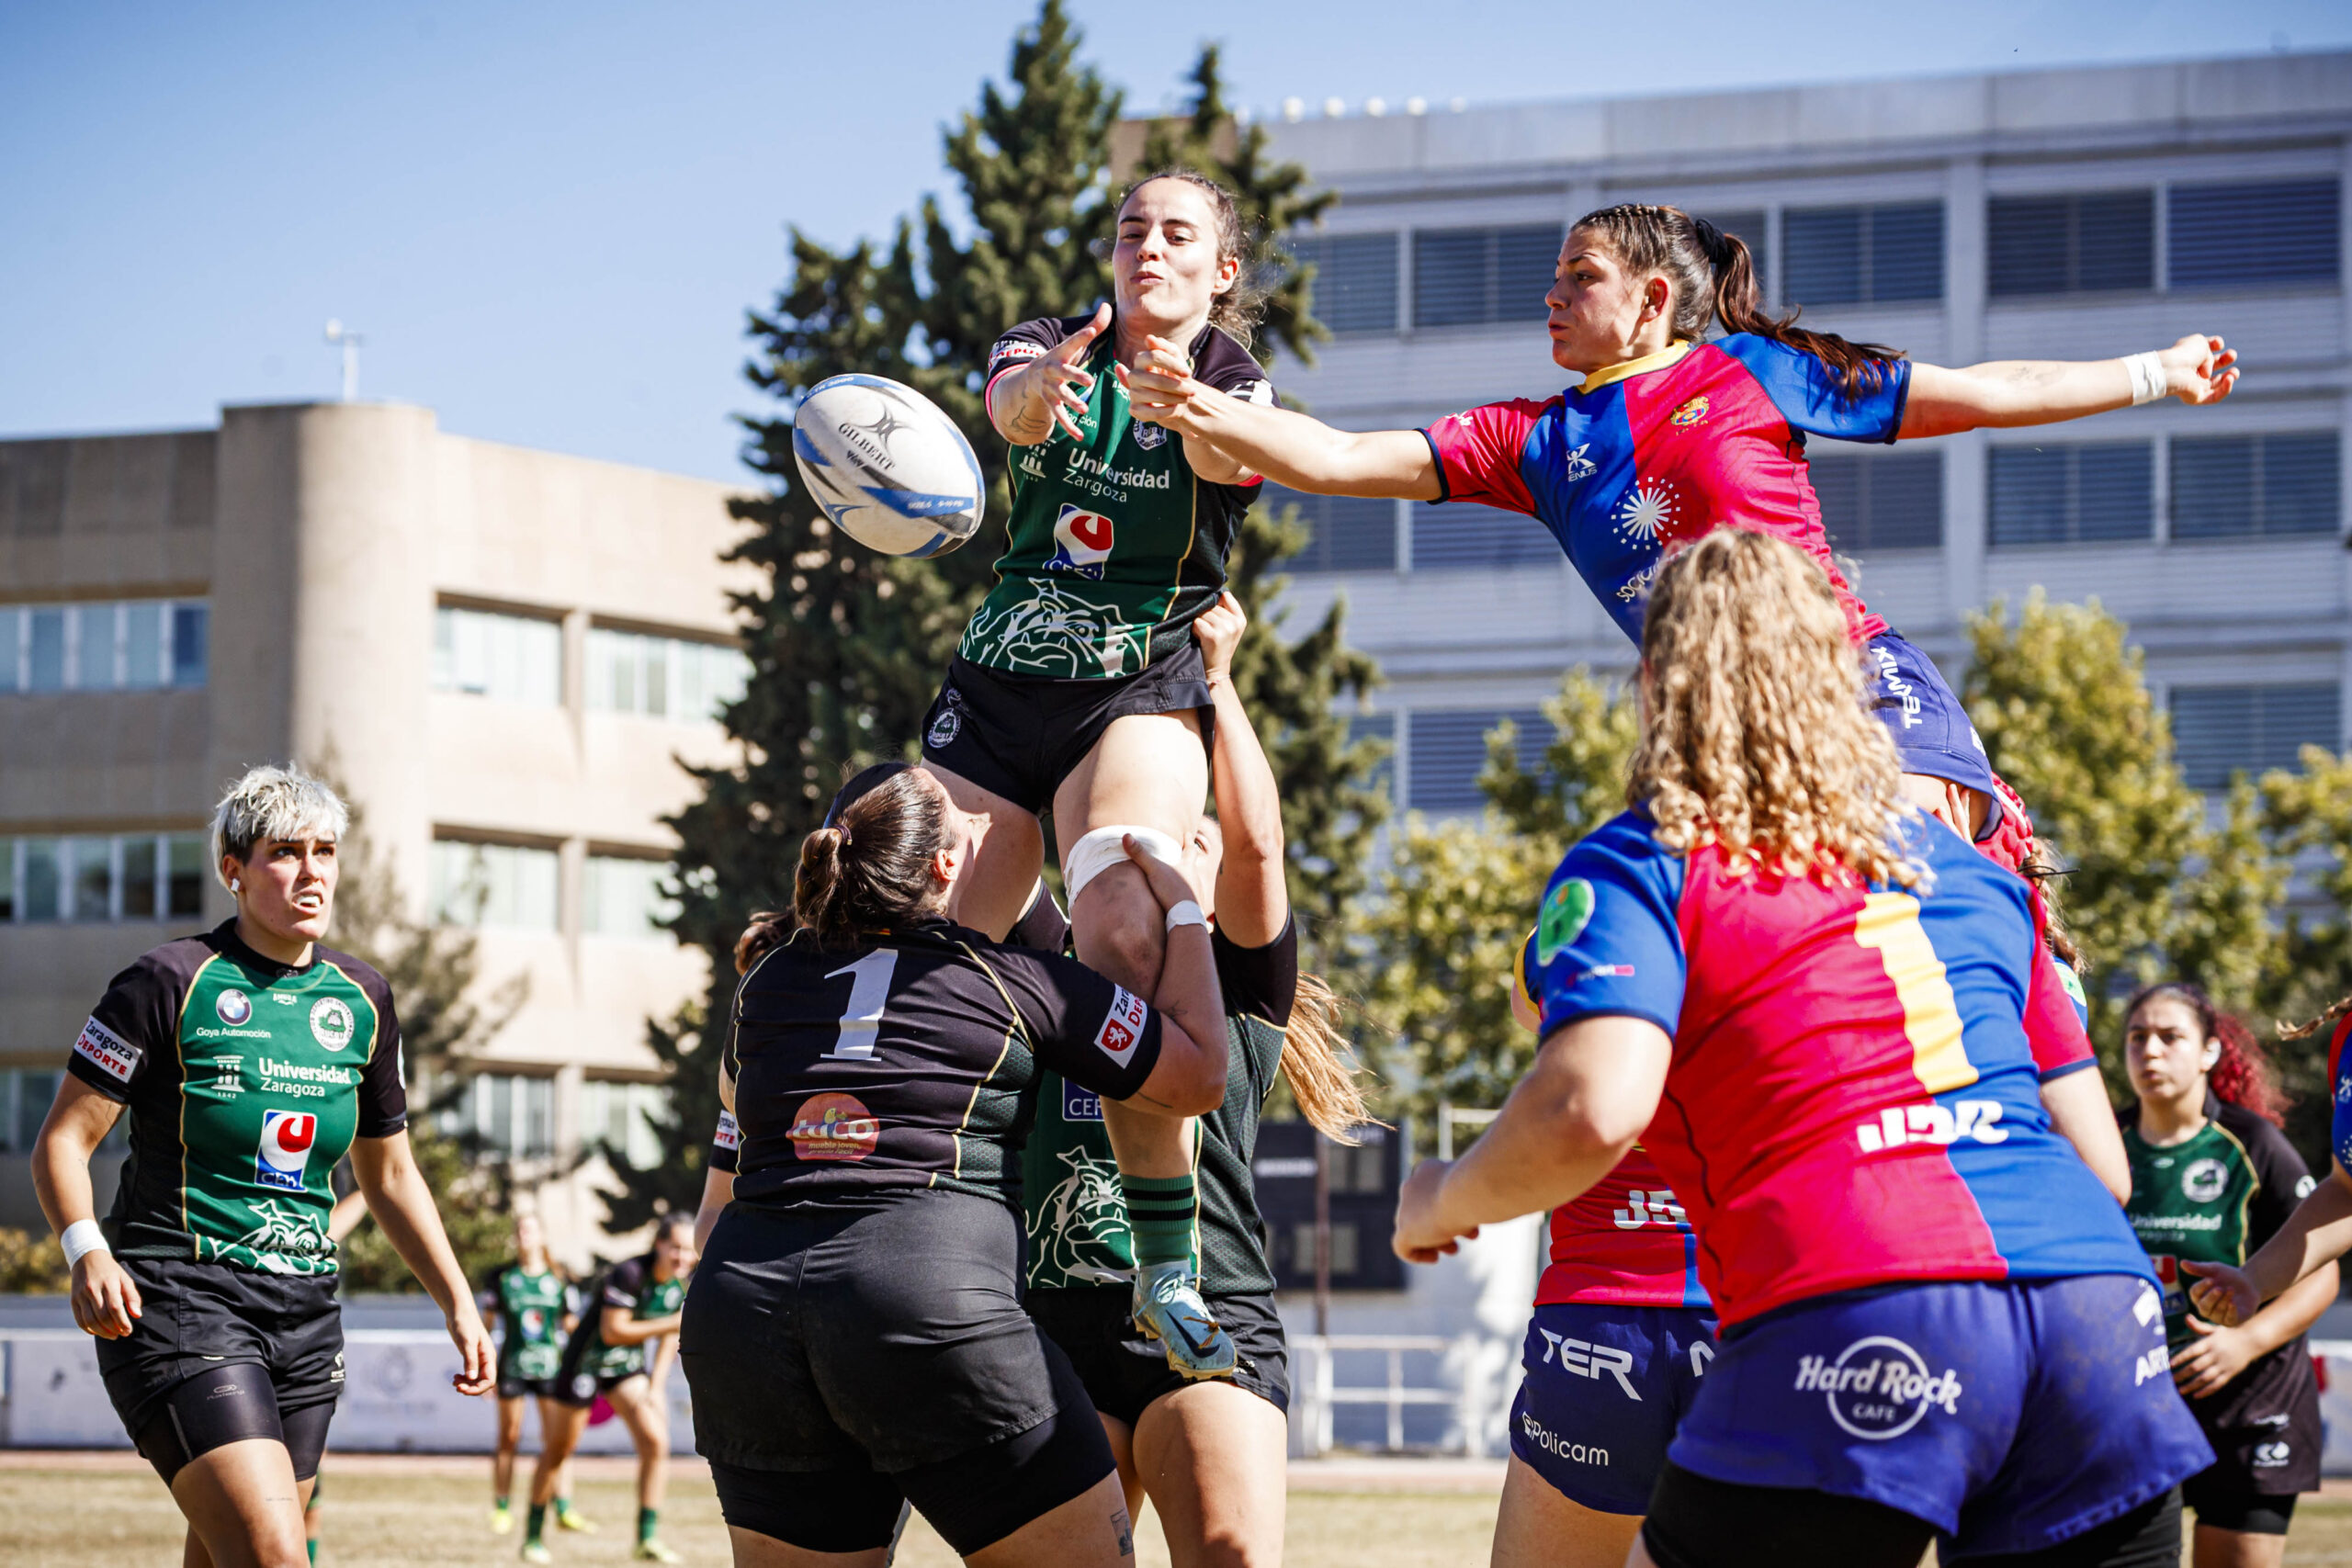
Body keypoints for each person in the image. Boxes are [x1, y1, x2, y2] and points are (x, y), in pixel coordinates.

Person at [1391, 531, 2211, 1568]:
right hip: (2094, 1313)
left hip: (1860, 1306)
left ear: (1656, 687)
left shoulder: (1645, 859)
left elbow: (1589, 1109)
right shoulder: (1976, 878)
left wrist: (1443, 1198)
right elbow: (2103, 1166)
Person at [1122, 201, 2237, 853]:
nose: (1551, 296)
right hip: (1704, 743)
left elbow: (1989, 390)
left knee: (1919, 878)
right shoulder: (1535, 441)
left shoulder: (1751, 370)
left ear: (1653, 299)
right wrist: (1196, 404)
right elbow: (1337, 458)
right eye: (1552, 278)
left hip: (1847, 681)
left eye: (1580, 277)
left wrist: (2154, 372)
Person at [680, 764, 1231, 1566]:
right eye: (968, 823)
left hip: (744, 1312)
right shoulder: (1015, 980)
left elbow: (738, 1109)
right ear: (943, 866)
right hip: (921, 1295)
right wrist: (1183, 904)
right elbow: (1201, 1074)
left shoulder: (766, 982)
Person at [917, 168, 1279, 1374]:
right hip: (1004, 679)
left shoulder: (1229, 377)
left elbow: (1238, 465)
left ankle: (1164, 1263)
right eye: (1134, 228)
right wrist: (1032, 394)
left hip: (1139, 683)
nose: (1150, 248)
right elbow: (1015, 407)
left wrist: (1180, 408)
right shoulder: (1049, 340)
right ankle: (895, 1218)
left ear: (1220, 268)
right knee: (917, 951)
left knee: (1123, 920)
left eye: (1180, 233)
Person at [31, 763, 496, 1568]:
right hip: (179, 1299)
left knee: (225, 1557)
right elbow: (63, 1139)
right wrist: (85, 1250)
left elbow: (389, 1176)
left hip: (306, 1316)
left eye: (325, 851)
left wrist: (456, 1300)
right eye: (285, 852)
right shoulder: (167, 981)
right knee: (276, 1554)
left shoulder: (362, 999)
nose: (311, 872)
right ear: (234, 872)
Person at [1022, 592, 1371, 1567]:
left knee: (1229, 1553)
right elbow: (1025, 853)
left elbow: (1257, 843)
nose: (1177, 836)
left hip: (1206, 1323)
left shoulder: (1245, 992)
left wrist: (1215, 682)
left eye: (1193, 838)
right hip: (1054, 1331)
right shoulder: (1058, 979)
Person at [2117, 982, 2328, 1567]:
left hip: (2250, 1402)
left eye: (2169, 1037)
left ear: (2210, 1051)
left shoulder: (2254, 1143)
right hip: (2136, 1399)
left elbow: (2321, 1271)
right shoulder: (2102, 1143)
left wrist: (2244, 1342)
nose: (2150, 1052)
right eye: (2137, 1038)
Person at [528, 1215, 697, 1564]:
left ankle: (646, 1539)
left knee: (655, 1443)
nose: (682, 1256)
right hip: (584, 1366)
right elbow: (612, 1332)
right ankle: (532, 1537)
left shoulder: (679, 1286)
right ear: (659, 1245)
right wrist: (673, 1322)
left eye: (688, 1249)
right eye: (675, 1247)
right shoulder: (629, 1274)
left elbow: (670, 1336)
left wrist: (655, 1386)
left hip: (624, 1370)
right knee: (559, 1451)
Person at [484, 1213, 592, 1539]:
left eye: (529, 1229)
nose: (523, 1234)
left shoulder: (560, 1278)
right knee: (509, 1437)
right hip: (512, 1366)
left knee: (556, 1441)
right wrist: (482, 1363)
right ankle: (502, 1507)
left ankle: (563, 1507)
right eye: (518, 1229)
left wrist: (586, 1356)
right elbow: (486, 1324)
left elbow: (571, 1327)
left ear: (542, 1235)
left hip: (551, 1368)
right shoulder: (501, 1277)